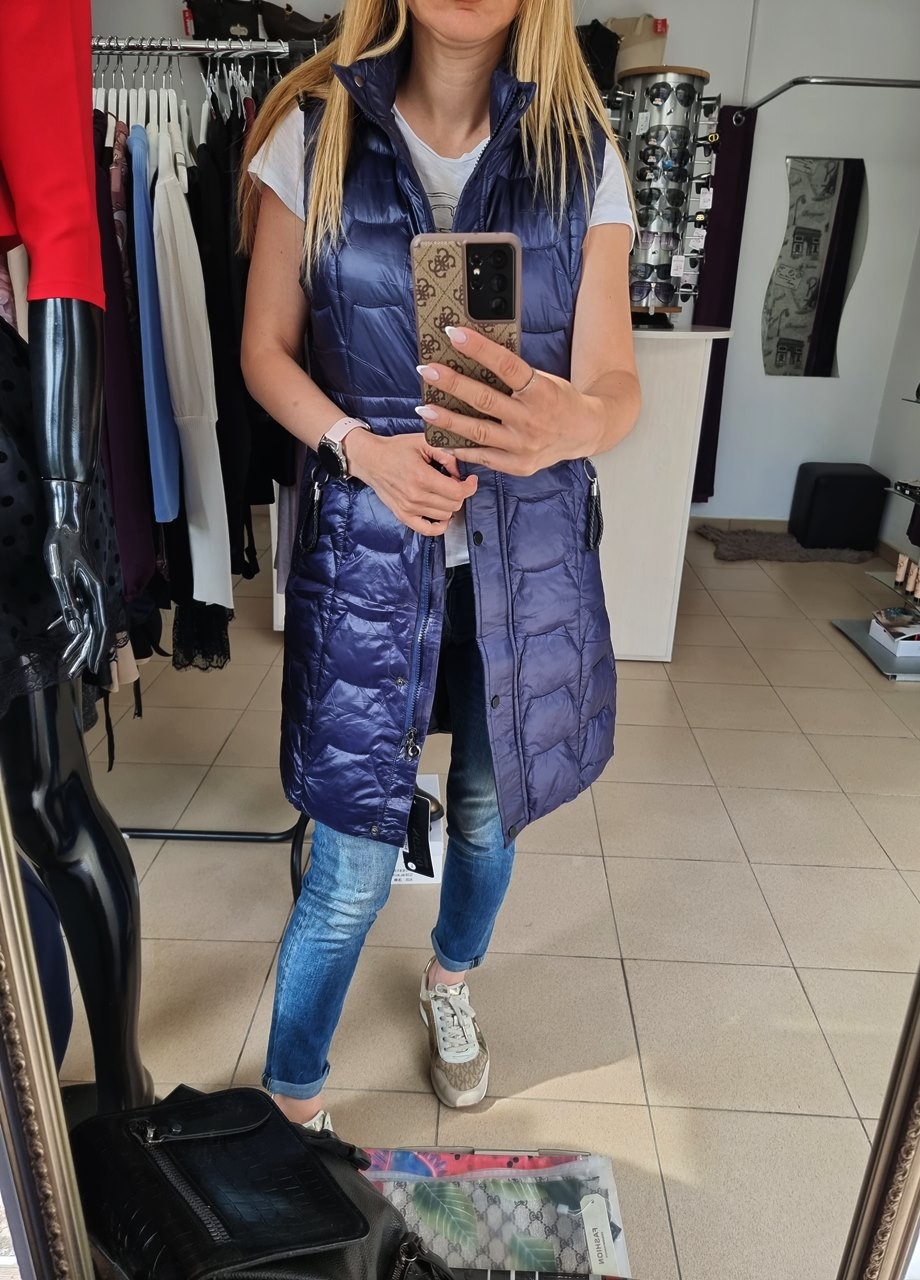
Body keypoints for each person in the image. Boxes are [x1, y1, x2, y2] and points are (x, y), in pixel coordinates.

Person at [239, 0, 640, 1128]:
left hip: (525, 567)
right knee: (348, 863)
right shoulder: (313, 132)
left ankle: (449, 980)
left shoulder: (581, 157)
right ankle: (292, 1105)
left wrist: (569, 423)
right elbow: (264, 350)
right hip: (371, 557)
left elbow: (615, 385)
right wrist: (357, 446)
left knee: (486, 814)